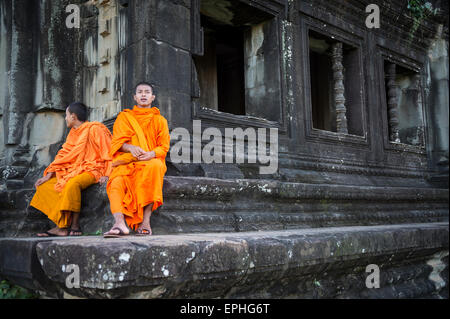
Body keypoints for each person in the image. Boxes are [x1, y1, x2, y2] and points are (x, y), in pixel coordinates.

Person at [30, 102, 112, 236]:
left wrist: (107, 174)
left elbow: (108, 151)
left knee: (72, 184)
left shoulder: (96, 129)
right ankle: (61, 224)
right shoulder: (73, 133)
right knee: (46, 186)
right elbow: (63, 155)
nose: (65, 119)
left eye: (66, 116)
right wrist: (48, 175)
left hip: (93, 169)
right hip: (73, 169)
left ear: (73, 117)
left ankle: (72, 226)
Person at [103, 82, 170, 237]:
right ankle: (119, 223)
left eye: (147, 92)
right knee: (116, 182)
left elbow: (164, 147)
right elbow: (117, 144)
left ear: (152, 97)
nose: (143, 95)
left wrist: (152, 154)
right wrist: (130, 148)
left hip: (149, 160)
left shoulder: (160, 121)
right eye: (140, 92)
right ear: (135, 97)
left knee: (155, 167)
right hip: (127, 161)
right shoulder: (124, 117)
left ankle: (145, 221)